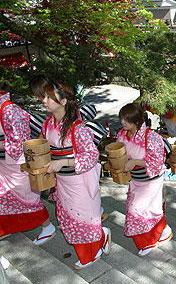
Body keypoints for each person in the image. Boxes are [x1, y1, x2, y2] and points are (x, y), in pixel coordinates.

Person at [30, 75, 110, 269]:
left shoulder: (78, 128)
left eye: (50, 98)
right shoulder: (47, 125)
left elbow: (91, 156)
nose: (44, 101)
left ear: (63, 101)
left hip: (79, 181)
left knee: (83, 219)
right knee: (68, 218)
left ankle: (91, 252)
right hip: (62, 181)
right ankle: (100, 238)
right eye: (44, 97)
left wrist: (63, 162)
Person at [116, 103, 172, 256]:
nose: (123, 122)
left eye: (126, 120)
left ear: (136, 121)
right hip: (136, 179)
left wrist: (135, 162)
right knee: (143, 210)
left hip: (151, 179)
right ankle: (164, 230)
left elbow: (157, 162)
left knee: (138, 210)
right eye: (121, 119)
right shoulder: (122, 134)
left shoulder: (151, 137)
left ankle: (148, 241)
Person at [0, 87, 51, 240]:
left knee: (26, 200)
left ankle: (47, 226)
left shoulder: (10, 111)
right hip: (5, 165)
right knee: (5, 199)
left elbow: (20, 144)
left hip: (16, 164)